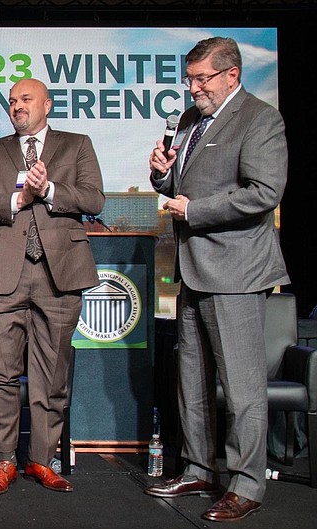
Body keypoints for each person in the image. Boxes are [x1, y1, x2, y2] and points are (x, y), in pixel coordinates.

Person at [143, 37, 289, 523]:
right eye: (189, 79)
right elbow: (181, 185)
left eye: (202, 79)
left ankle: (247, 483)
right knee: (193, 380)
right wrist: (165, 176)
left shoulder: (260, 119)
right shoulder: (188, 122)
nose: (193, 88)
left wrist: (195, 209)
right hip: (193, 268)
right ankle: (199, 468)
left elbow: (264, 192)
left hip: (237, 271)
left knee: (242, 387)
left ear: (231, 74)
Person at [0, 78, 104, 496]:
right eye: (11, 102)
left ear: (47, 104)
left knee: (51, 375)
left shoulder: (77, 144)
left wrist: (51, 190)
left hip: (60, 273)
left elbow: (94, 199)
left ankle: (42, 460)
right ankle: (4, 461)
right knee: (1, 374)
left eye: (25, 99)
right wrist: (16, 201)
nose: (17, 106)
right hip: (4, 272)